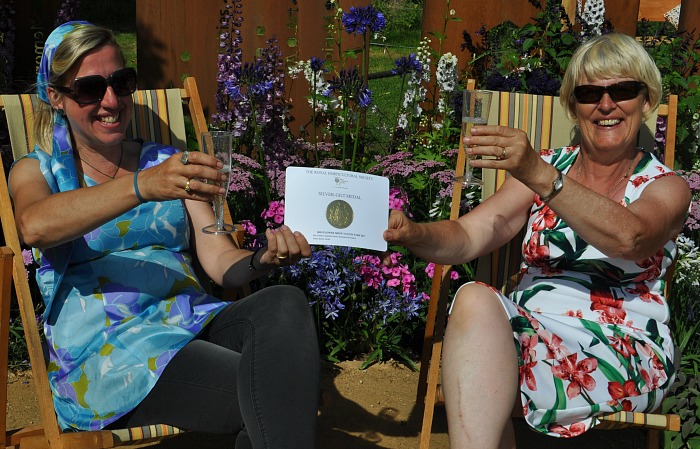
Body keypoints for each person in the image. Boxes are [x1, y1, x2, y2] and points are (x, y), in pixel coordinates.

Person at [9, 21, 320, 449]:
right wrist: (143, 186)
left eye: (121, 82)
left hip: (191, 322)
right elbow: (35, 226)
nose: (111, 101)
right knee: (276, 392)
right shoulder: (38, 170)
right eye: (89, 89)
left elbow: (218, 260)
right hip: (112, 353)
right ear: (57, 97)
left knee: (284, 303)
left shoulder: (167, 161)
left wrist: (262, 259)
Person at [383, 33, 691, 448]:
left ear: (646, 99)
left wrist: (538, 173)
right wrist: (414, 232)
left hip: (621, 352)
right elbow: (470, 234)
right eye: (588, 93)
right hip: (532, 337)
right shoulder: (548, 168)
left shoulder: (665, 187)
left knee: (484, 375)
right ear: (571, 105)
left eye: (622, 90)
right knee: (474, 297)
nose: (605, 105)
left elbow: (631, 238)